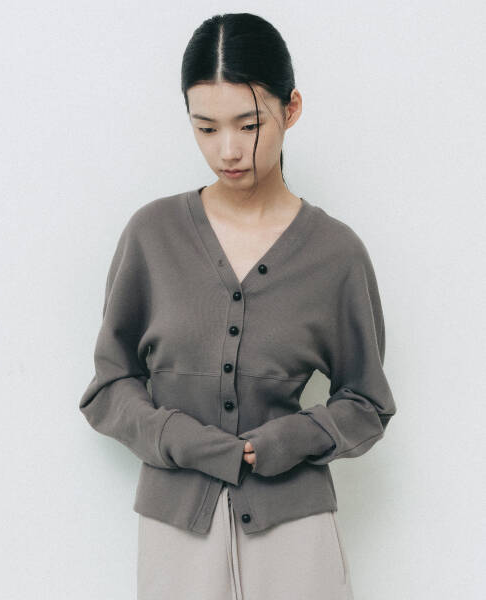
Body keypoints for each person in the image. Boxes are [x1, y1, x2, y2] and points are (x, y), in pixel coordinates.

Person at [79, 12, 396, 600]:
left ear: (290, 109)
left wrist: (289, 439)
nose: (227, 150)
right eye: (205, 128)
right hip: (177, 528)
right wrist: (174, 435)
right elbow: (108, 387)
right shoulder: (152, 235)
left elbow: (367, 403)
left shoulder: (336, 253)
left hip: (295, 529)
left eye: (249, 125)